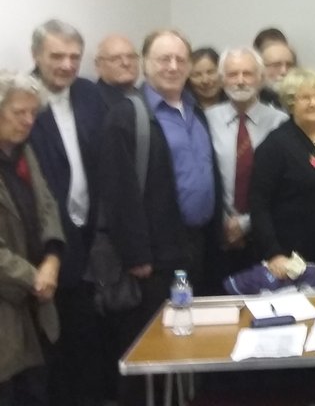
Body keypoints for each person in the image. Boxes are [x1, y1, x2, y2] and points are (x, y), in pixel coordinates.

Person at [97, 30, 223, 404]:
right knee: (149, 356)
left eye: (180, 59)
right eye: (163, 59)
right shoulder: (126, 116)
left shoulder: (195, 111)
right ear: (146, 63)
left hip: (195, 249)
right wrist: (137, 255)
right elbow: (117, 193)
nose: (172, 66)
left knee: (190, 349)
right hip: (152, 260)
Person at [25, 20, 107, 406]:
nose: (67, 65)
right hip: (46, 242)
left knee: (88, 338)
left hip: (90, 234)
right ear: (36, 55)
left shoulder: (90, 94)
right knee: (53, 347)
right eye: (57, 56)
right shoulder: (20, 99)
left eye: (75, 56)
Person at [0, 71, 65, 406]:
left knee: (38, 390)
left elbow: (47, 206)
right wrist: (34, 278)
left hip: (37, 303)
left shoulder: (24, 152)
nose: (28, 121)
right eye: (18, 112)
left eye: (32, 112)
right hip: (9, 303)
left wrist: (52, 259)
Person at [250, 68, 315, 274]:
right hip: (292, 258)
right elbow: (259, 204)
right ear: (291, 103)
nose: (314, 103)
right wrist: (274, 253)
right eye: (305, 98)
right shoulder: (275, 145)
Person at [205, 48, 288, 272]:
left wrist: (245, 223)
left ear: (261, 78)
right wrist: (225, 223)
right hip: (217, 235)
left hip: (267, 235)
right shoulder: (206, 120)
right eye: (233, 74)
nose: (240, 81)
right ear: (222, 80)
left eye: (247, 73)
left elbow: (284, 185)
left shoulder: (280, 122)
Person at [94, 34, 140, 107]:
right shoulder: (92, 102)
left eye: (131, 57)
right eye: (115, 59)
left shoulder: (146, 98)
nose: (126, 63)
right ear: (98, 65)